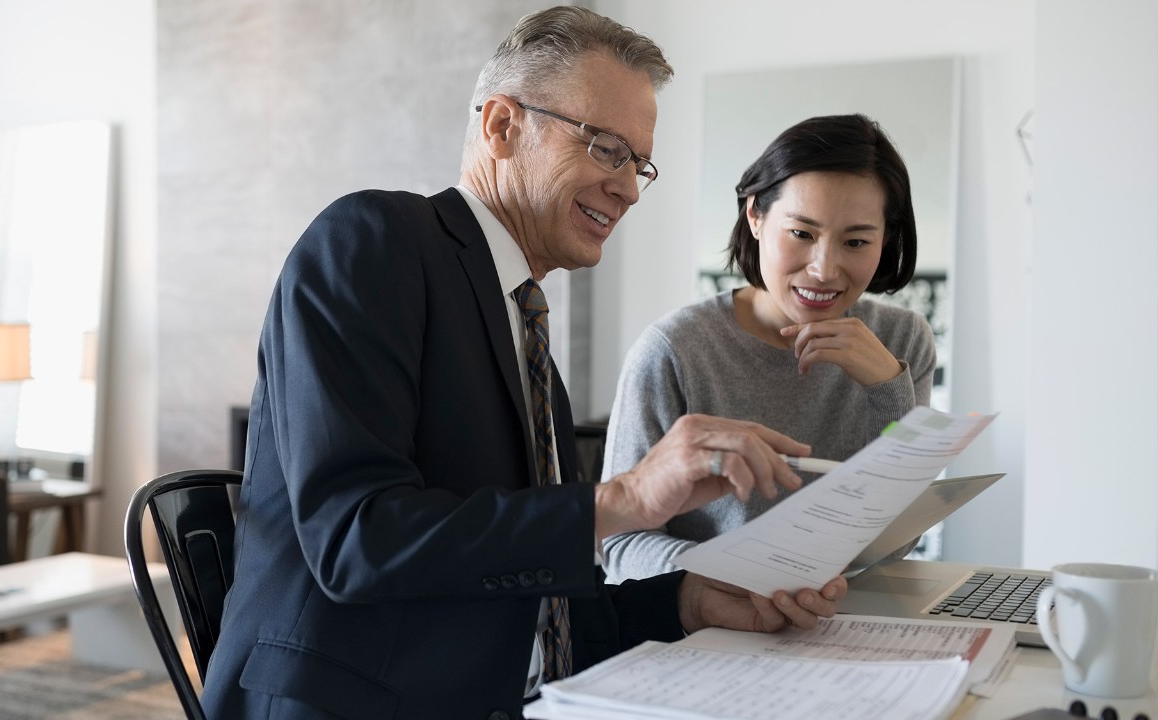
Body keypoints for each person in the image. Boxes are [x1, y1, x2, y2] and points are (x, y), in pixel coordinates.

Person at [200, 8, 847, 719]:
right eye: (605, 148)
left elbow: (530, 595)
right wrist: (625, 499)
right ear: (502, 126)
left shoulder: (522, 319)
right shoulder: (374, 241)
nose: (629, 188)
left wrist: (691, 600)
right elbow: (360, 541)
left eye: (639, 162)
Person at [602, 114, 936, 584]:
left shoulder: (902, 344)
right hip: (714, 629)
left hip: (848, 622)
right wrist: (739, 581)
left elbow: (897, 544)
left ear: (886, 241)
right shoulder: (673, 351)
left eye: (856, 241)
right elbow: (620, 543)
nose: (824, 270)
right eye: (802, 234)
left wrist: (888, 390)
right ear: (755, 215)